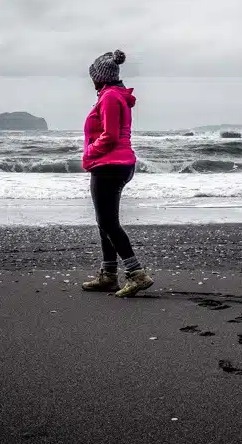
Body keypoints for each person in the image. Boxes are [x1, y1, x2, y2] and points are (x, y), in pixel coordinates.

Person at [80, 49, 153, 297]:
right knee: (105, 222)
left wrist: (89, 152)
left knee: (108, 222)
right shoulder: (111, 95)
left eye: (92, 75)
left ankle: (136, 274)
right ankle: (109, 275)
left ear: (100, 76)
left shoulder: (110, 97)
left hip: (109, 165)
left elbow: (109, 136)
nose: (91, 80)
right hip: (116, 164)